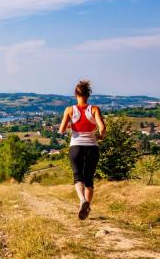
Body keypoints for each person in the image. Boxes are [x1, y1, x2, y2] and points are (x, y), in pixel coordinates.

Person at [58, 80, 106, 220]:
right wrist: (100, 136)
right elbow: (102, 128)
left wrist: (69, 126)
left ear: (75, 94)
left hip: (76, 146)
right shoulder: (94, 109)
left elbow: (61, 130)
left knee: (78, 177)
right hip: (92, 147)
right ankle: (86, 206)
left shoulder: (69, 110)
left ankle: (82, 201)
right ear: (88, 95)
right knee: (89, 180)